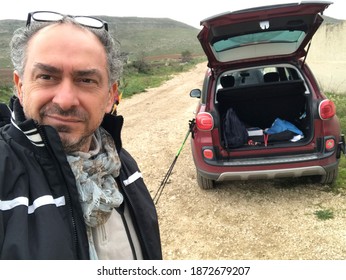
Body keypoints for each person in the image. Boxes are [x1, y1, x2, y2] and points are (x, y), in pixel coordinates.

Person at [0, 11, 162, 260]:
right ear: (20, 86)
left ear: (110, 95)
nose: (65, 101)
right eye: (46, 77)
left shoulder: (122, 164)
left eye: (86, 80)